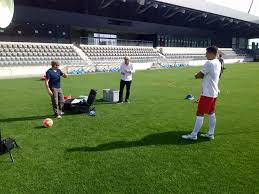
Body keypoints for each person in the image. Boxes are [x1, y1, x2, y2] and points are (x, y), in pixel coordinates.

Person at [182, 46, 221, 140]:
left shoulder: (209, 62)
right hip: (214, 92)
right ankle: (211, 134)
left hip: (207, 93)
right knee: (211, 113)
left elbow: (200, 75)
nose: (205, 55)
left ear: (212, 53)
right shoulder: (218, 62)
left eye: (207, 53)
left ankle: (193, 135)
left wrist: (195, 75)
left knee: (200, 113)